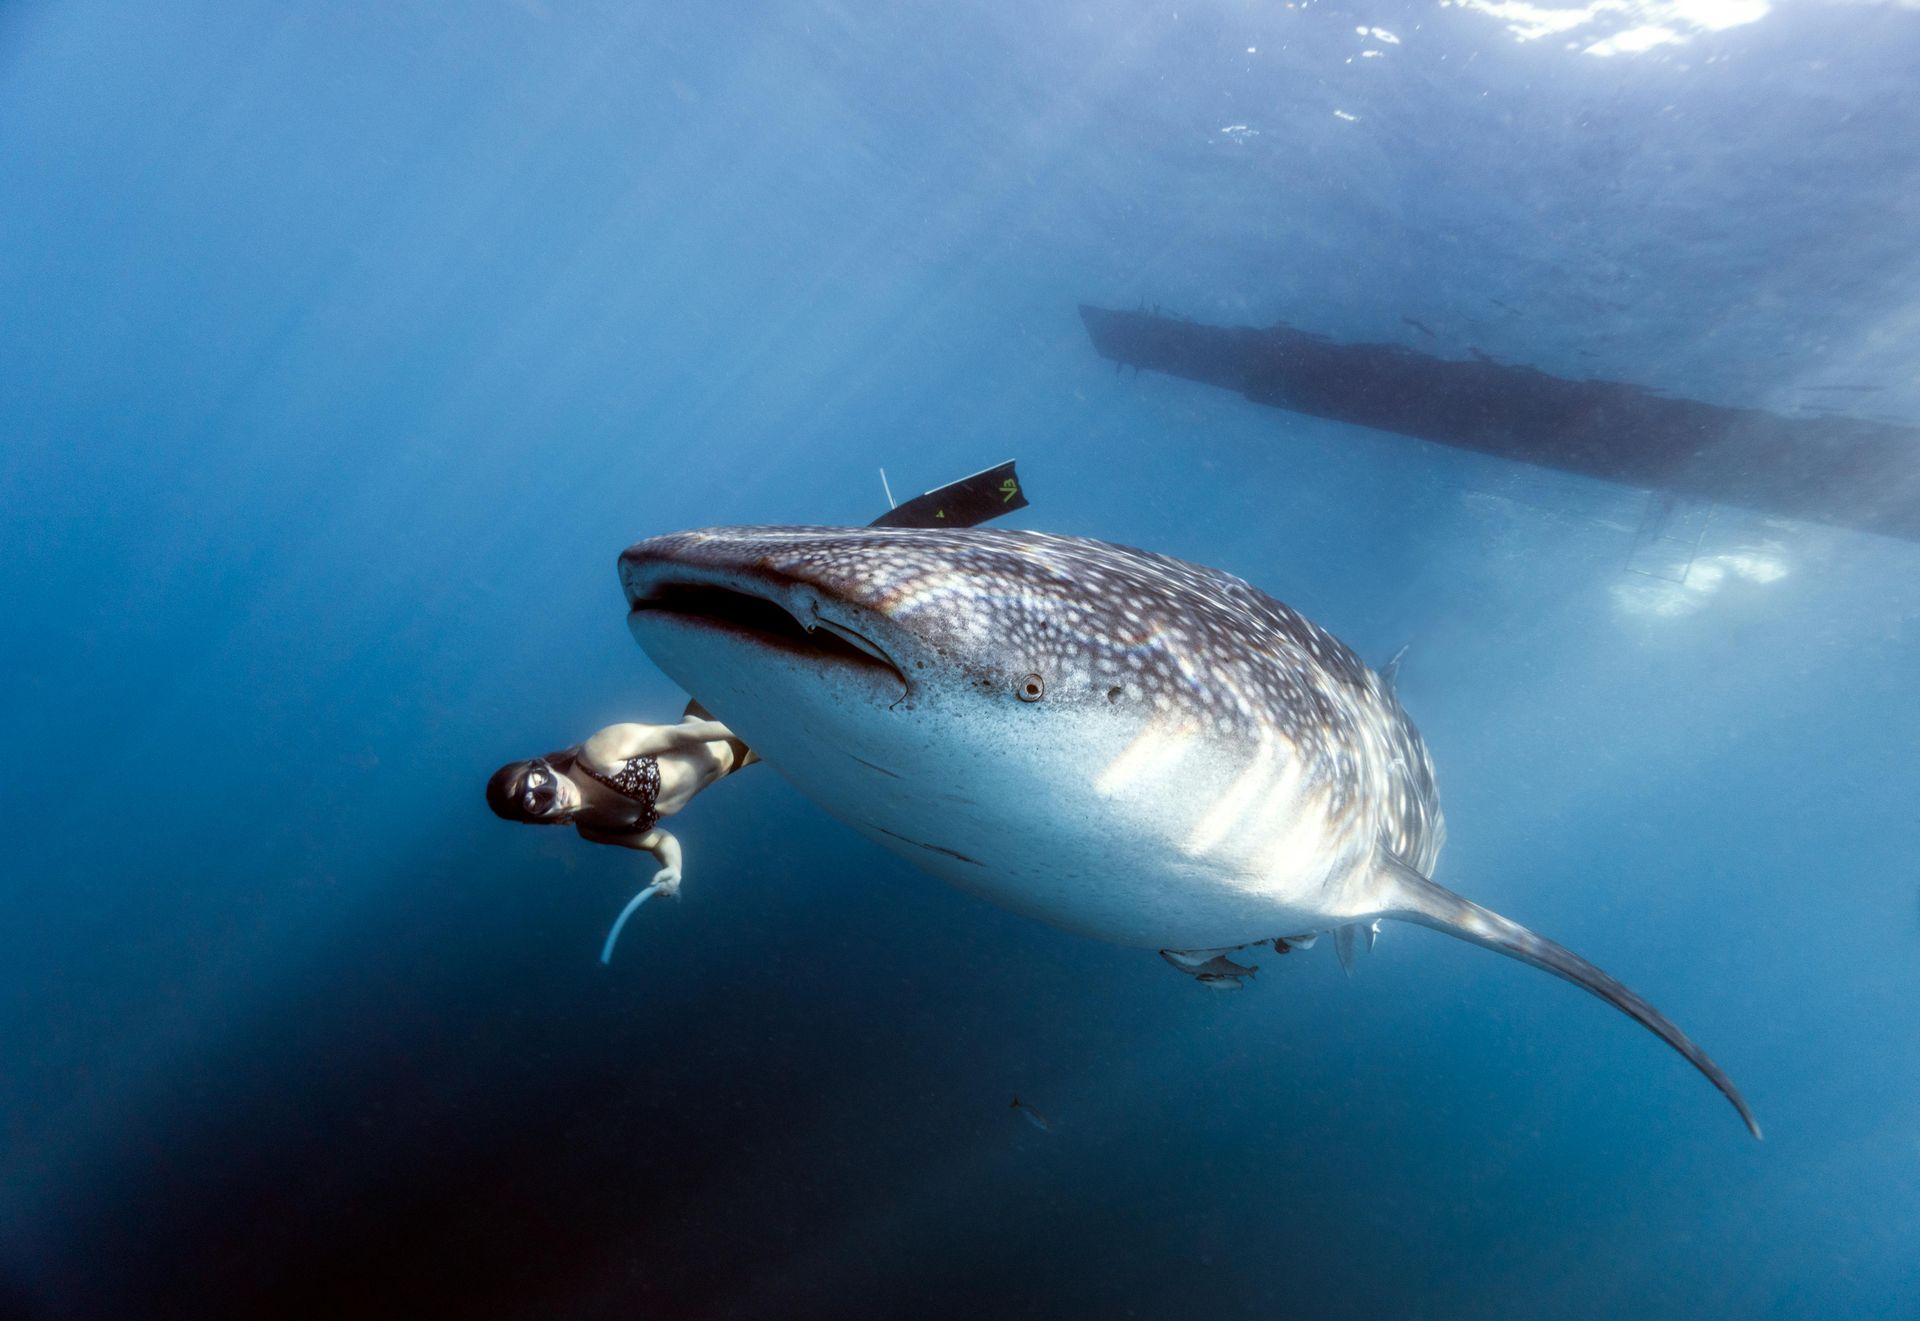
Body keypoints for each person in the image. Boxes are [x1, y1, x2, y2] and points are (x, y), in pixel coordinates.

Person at [486, 704, 756, 961]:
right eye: (536, 803)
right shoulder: (595, 829)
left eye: (539, 780)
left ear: (542, 766)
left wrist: (751, 726)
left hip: (722, 720)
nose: (553, 793)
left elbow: (680, 734)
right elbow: (661, 840)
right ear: (536, 820)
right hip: (739, 760)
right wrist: (674, 869)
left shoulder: (598, 754)